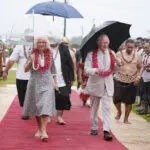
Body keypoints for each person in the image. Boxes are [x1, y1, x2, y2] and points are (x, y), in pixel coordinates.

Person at [23, 37, 57, 142]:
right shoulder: (31, 53)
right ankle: (40, 128)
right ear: (36, 44)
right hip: (34, 83)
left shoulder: (50, 54)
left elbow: (53, 70)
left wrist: (55, 83)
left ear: (46, 43)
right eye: (39, 42)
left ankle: (44, 131)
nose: (41, 44)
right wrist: (31, 60)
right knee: (37, 108)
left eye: (43, 42)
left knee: (45, 106)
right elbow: (25, 69)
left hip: (47, 83)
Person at [84, 34, 115, 141]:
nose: (106, 45)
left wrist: (119, 64)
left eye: (107, 43)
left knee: (106, 107)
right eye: (104, 43)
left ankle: (106, 130)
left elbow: (115, 69)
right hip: (95, 85)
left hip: (108, 85)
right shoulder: (91, 54)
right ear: (99, 43)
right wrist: (95, 70)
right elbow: (86, 69)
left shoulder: (112, 53)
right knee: (94, 108)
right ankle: (94, 127)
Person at [114, 39, 143, 124]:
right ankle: (119, 112)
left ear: (134, 47)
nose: (130, 49)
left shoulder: (137, 55)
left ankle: (126, 118)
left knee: (129, 101)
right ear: (125, 46)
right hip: (119, 79)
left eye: (132, 47)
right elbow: (114, 64)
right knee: (116, 99)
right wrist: (117, 63)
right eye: (128, 47)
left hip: (132, 80)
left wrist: (139, 76)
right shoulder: (119, 54)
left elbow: (141, 67)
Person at [3, 44, 31, 120]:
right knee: (22, 96)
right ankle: (25, 112)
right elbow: (12, 60)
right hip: (22, 76)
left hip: (35, 77)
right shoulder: (19, 46)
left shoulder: (38, 44)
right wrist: (5, 71)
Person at [50, 38, 74, 125]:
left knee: (63, 97)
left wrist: (71, 77)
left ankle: (59, 116)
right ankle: (47, 115)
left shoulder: (63, 48)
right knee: (49, 97)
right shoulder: (45, 47)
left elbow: (70, 63)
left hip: (62, 77)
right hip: (48, 77)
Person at [140, 42, 150, 114]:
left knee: (148, 95)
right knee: (145, 95)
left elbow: (146, 66)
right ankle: (145, 110)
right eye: (144, 48)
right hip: (145, 77)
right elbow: (142, 64)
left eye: (147, 47)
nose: (145, 49)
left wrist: (146, 67)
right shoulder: (145, 55)